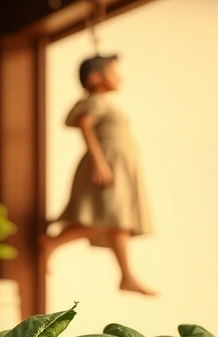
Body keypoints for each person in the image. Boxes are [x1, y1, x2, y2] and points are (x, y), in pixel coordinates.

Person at [42, 54, 155, 295]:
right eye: (113, 72)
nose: (119, 77)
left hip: (117, 167)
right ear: (95, 78)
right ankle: (51, 243)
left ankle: (126, 275)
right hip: (108, 166)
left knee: (118, 220)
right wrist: (100, 163)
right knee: (103, 217)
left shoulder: (104, 103)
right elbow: (84, 123)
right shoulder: (96, 102)